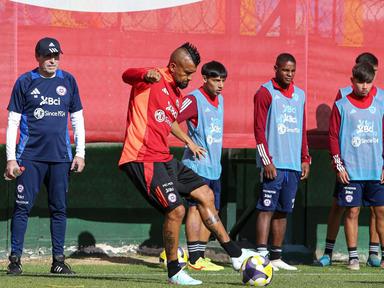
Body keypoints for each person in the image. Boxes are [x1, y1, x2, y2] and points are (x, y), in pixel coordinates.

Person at [119, 43, 256, 285]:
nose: (190, 78)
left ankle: (235, 255)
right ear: (173, 66)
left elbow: (170, 123)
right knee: (177, 210)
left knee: (206, 194)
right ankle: (174, 271)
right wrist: (143, 74)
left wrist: (186, 141)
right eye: (187, 73)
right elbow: (126, 75)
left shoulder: (176, 94)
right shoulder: (152, 78)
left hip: (163, 157)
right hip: (142, 157)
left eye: (192, 73)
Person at [5, 37, 85, 275]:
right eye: (47, 56)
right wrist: (11, 158)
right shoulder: (25, 81)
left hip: (61, 158)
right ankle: (15, 260)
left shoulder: (68, 81)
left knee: (59, 208)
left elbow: (77, 119)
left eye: (56, 56)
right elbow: (13, 122)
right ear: (37, 57)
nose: (52, 60)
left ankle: (58, 261)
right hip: (29, 157)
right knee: (22, 208)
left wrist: (80, 153)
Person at [319, 53, 384, 267]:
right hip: (350, 167)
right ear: (354, 74)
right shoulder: (343, 99)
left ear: (375, 73)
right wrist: (338, 163)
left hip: (374, 167)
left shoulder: (381, 98)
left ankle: (375, 253)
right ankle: (331, 252)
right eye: (361, 78)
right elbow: (334, 134)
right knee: (344, 207)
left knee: (379, 210)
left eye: (370, 76)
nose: (365, 84)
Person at [253, 53, 311, 271]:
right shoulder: (265, 92)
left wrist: (305, 158)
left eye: (293, 70)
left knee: (283, 210)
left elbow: (302, 129)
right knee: (266, 208)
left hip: (293, 165)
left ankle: (276, 256)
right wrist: (266, 160)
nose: (289, 74)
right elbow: (258, 130)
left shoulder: (300, 95)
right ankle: (261, 255)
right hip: (273, 164)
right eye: (285, 70)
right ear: (275, 68)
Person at [177, 61, 226, 271]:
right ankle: (195, 259)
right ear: (205, 79)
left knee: (212, 210)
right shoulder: (193, 100)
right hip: (196, 168)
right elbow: (170, 120)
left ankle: (199, 255)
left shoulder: (220, 99)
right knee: (195, 209)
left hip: (214, 168)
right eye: (216, 80)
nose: (221, 85)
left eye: (223, 80)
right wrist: (190, 142)